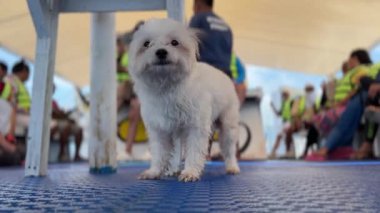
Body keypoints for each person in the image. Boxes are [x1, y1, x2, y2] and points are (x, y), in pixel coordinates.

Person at [306, 49, 371, 160]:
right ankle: (341, 148)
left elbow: (356, 89)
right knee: (320, 118)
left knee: (331, 117)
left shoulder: (360, 70)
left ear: (355, 59)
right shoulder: (351, 73)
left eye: (349, 59)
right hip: (342, 104)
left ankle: (329, 148)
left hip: (348, 104)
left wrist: (340, 103)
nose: (348, 62)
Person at [116, 23, 144, 158]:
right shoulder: (131, 52)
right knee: (133, 109)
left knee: (136, 109)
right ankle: (127, 151)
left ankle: (129, 150)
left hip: (148, 92)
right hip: (136, 89)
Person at [190, 0, 233, 78]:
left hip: (206, 73)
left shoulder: (199, 18)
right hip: (226, 76)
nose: (193, 9)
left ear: (198, 4)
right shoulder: (226, 26)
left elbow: (189, 44)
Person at [50, 86, 84, 162]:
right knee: (66, 126)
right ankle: (62, 153)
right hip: (53, 121)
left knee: (79, 129)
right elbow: (53, 114)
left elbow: (58, 113)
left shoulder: (54, 102)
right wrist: (62, 114)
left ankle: (77, 155)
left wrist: (65, 115)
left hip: (61, 120)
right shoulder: (43, 101)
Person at [269, 90, 292, 158]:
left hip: (289, 122)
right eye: (282, 96)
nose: (283, 97)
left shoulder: (291, 102)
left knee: (281, 136)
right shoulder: (283, 103)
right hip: (284, 122)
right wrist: (272, 107)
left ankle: (287, 152)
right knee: (279, 136)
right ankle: (274, 152)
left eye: (284, 95)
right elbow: (279, 114)